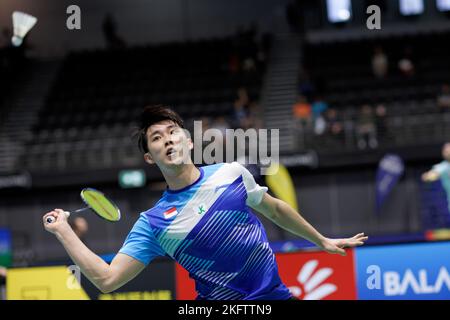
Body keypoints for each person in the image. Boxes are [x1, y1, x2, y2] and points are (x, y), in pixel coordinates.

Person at [43, 105, 368, 300]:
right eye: (156, 138)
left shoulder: (231, 173)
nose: (167, 139)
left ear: (188, 139)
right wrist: (63, 231)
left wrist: (321, 240)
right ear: (149, 156)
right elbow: (107, 279)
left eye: (172, 132)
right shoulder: (153, 223)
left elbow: (274, 208)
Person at [422, 142, 450, 212]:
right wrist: (428, 176)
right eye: (446, 151)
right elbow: (427, 177)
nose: (447, 152)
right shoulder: (442, 167)